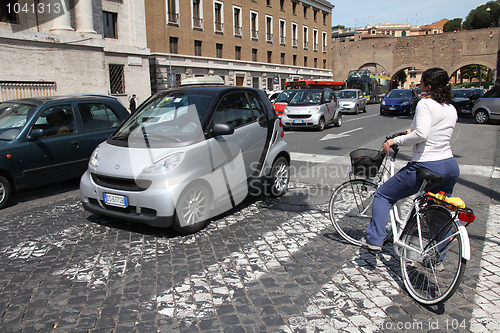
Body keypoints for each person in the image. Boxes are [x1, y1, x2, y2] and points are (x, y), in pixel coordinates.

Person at [361, 67, 460, 251]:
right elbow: (433, 129)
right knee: (441, 212)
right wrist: (408, 131)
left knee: (383, 194)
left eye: (421, 82)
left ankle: (374, 240)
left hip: (427, 164)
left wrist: (394, 140)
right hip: (450, 165)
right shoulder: (450, 108)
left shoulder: (425, 104)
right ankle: (436, 256)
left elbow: (422, 133)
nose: (419, 84)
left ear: (428, 86)